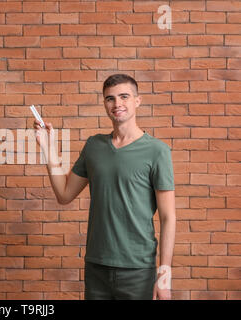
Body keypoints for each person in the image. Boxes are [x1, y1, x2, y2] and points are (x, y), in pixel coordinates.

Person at [34, 74, 176, 300]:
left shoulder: (157, 151)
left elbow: (168, 217)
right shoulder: (94, 146)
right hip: (96, 266)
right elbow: (64, 194)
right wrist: (48, 148)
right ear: (104, 104)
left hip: (138, 269)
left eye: (124, 97)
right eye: (110, 98)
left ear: (137, 101)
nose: (117, 104)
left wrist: (164, 274)